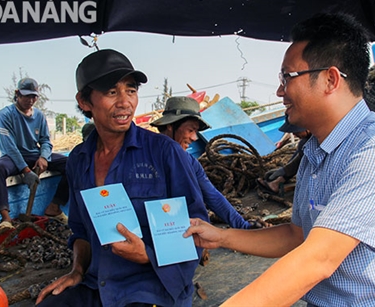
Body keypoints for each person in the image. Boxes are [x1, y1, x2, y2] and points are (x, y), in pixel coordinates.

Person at [184, 13, 375, 306]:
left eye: (287, 77)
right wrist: (221, 236)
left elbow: (317, 259)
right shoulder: (315, 152)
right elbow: (297, 234)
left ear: (330, 79)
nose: (280, 90)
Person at [36, 49, 209, 307]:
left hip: (154, 289)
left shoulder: (165, 153)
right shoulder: (78, 160)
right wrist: (77, 271)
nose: (125, 102)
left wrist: (148, 255)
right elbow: (81, 231)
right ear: (84, 102)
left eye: (131, 90)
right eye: (111, 92)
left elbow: (197, 229)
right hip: (98, 285)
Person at [150, 96, 255, 229]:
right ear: (170, 126)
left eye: (196, 131)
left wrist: (244, 226)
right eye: (190, 130)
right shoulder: (144, 156)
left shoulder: (190, 162)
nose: (194, 137)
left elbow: (213, 196)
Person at [0, 77, 68, 232]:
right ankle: (6, 219)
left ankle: (54, 207)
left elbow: (46, 140)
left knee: (71, 164)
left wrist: (44, 157)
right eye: (26, 96)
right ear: (17, 94)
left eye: (34, 96)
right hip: (13, 157)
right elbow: (9, 146)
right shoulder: (5, 115)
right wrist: (25, 170)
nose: (30, 100)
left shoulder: (39, 116)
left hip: (35, 154)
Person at [256, 115, 311, 195]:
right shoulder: (306, 141)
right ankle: (280, 180)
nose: (294, 135)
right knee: (300, 149)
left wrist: (285, 171)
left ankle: (279, 181)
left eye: (296, 131)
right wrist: (283, 171)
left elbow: (303, 157)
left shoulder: (318, 140)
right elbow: (300, 155)